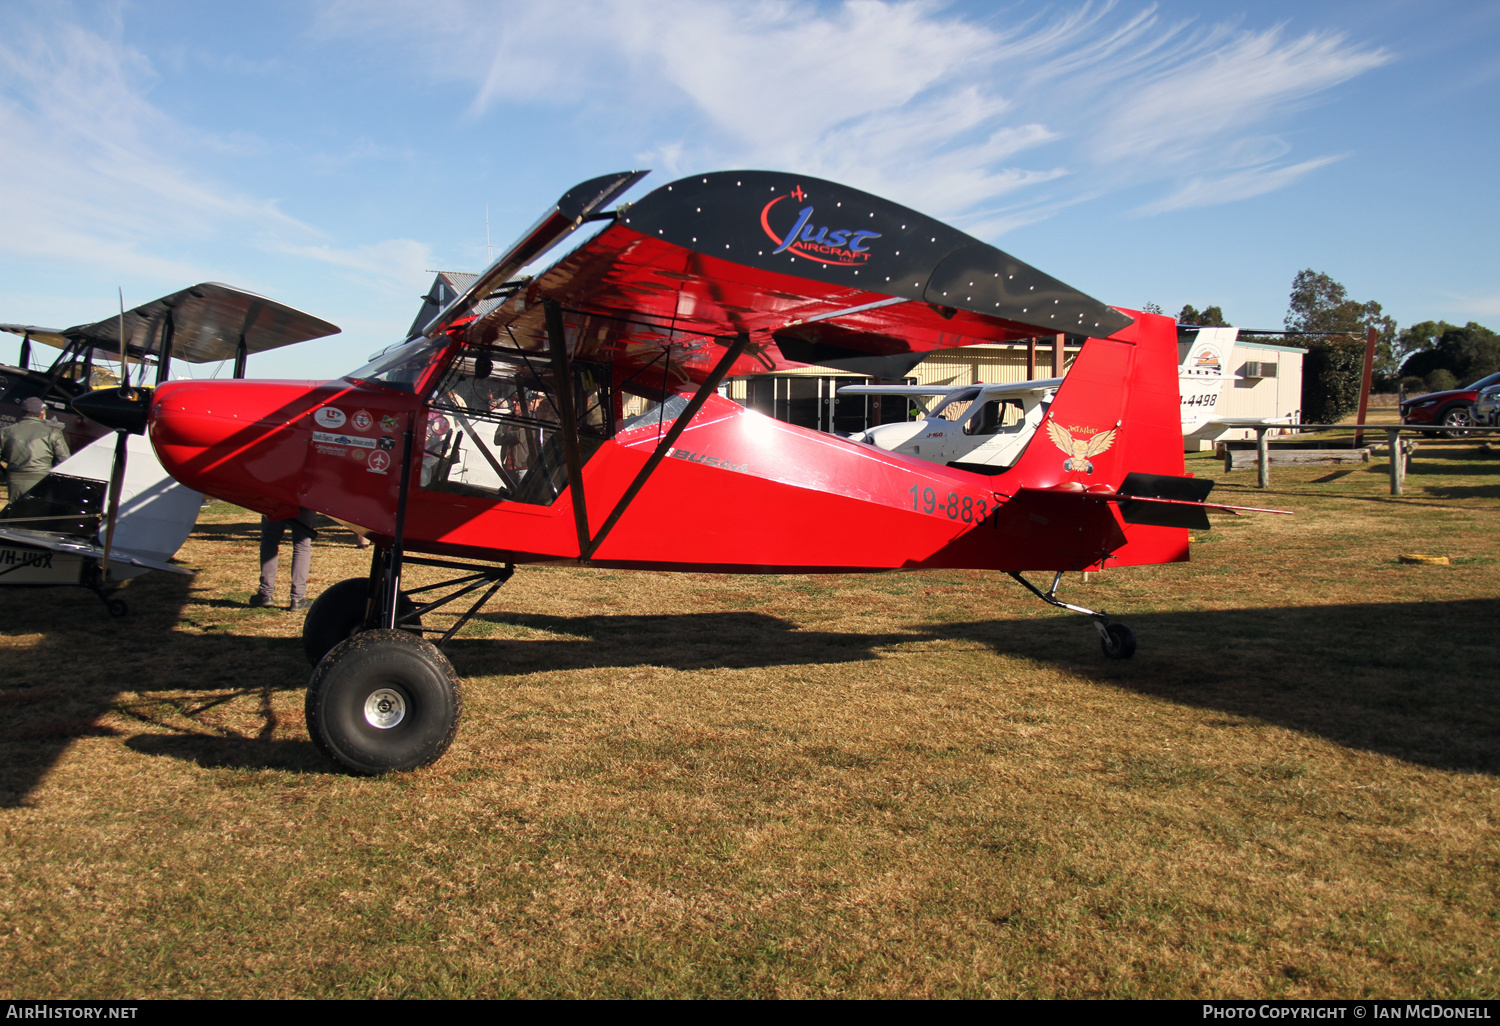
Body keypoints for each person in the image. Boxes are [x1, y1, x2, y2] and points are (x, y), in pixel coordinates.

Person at [1, 397, 70, 501]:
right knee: (37, 513)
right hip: (42, 480)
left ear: (22, 412)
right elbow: (64, 460)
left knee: (16, 514)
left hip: (15, 480)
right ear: (42, 413)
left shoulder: (6, 432)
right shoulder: (53, 432)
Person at [251, 507, 318, 611]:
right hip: (303, 498)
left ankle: (265, 593)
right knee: (302, 545)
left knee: (269, 541)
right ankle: (297, 598)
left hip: (275, 498)